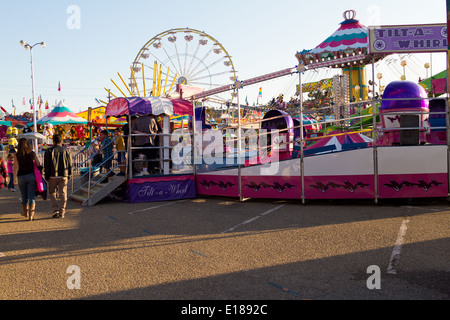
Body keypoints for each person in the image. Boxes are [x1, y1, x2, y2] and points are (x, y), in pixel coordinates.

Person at [44, 134, 72, 219]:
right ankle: (62, 211)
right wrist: (69, 175)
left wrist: (46, 176)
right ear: (61, 141)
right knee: (63, 193)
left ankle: (55, 209)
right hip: (63, 174)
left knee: (52, 193)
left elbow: (46, 165)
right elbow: (69, 164)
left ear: (53, 141)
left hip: (52, 175)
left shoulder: (48, 151)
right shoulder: (66, 151)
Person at [13, 138, 40, 221]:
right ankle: (31, 215)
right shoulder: (32, 153)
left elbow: (16, 167)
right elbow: (38, 163)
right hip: (31, 176)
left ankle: (24, 212)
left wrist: (14, 178)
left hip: (21, 177)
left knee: (24, 196)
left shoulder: (16, 155)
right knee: (31, 196)